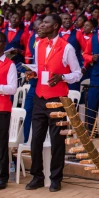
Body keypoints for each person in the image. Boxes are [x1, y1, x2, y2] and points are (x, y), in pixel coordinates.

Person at [24, 14, 82, 192]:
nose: (40, 26)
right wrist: (34, 73)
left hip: (57, 99)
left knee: (57, 141)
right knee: (36, 140)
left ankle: (56, 178)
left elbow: (78, 73)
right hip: (39, 98)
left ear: (55, 26)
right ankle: (37, 176)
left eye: (45, 23)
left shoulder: (67, 48)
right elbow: (42, 67)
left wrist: (62, 77)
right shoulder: (39, 44)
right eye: (40, 23)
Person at [23, 18, 45, 143]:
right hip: (34, 83)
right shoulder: (35, 40)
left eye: (42, 26)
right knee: (27, 112)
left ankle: (39, 143)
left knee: (43, 117)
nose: (39, 29)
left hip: (48, 85)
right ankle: (26, 140)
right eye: (37, 27)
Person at [0, 32, 17, 190]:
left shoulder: (9, 65)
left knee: (1, 144)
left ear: (4, 44)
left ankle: (2, 176)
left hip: (2, 108)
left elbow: (13, 88)